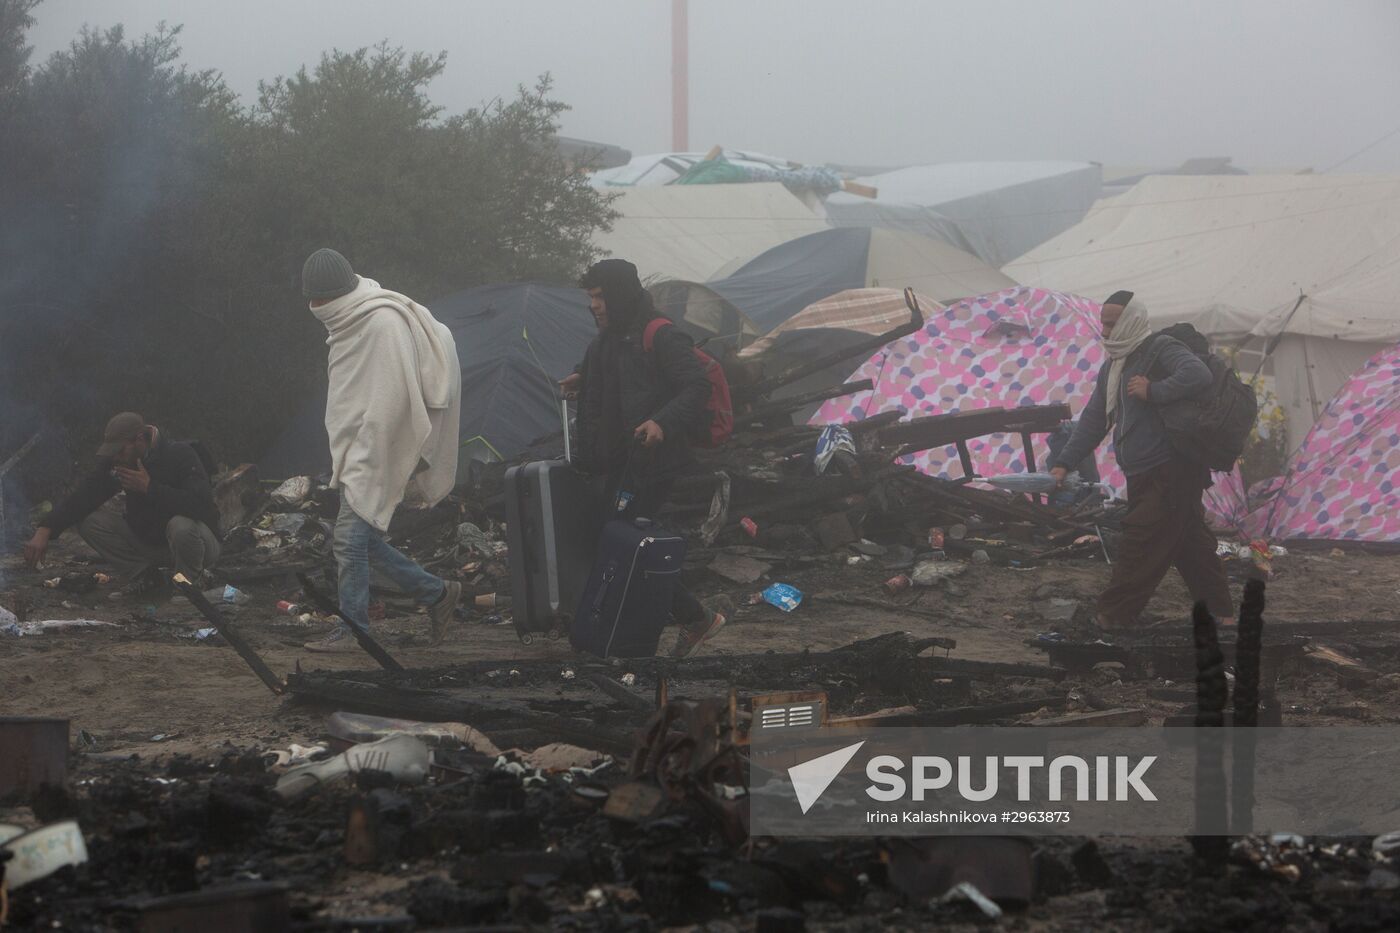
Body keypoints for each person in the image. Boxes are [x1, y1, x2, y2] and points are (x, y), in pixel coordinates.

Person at [561, 258, 729, 658]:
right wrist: (582, 378)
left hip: (649, 464)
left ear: (619, 294)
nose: (594, 306)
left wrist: (661, 422)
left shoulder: (662, 334)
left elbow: (695, 386)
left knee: (629, 546)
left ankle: (693, 618)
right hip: (615, 463)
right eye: (590, 298)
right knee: (616, 542)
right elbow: (624, 374)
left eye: (600, 297)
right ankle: (670, 620)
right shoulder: (609, 337)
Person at [301, 247, 464, 652]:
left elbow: (393, 399)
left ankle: (353, 630)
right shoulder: (349, 322)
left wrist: (371, 451)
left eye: (321, 300)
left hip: (382, 445)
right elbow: (351, 394)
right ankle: (439, 594)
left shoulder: (381, 323)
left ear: (336, 294)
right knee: (364, 541)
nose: (317, 308)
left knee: (349, 541)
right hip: (360, 444)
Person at [1050, 291, 1235, 628]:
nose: (1105, 331)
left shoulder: (1159, 348)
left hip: (1169, 469)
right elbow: (1094, 419)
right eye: (1104, 323)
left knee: (1141, 541)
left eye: (1112, 323)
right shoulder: (1115, 364)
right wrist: (1065, 461)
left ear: (1130, 320)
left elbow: (1198, 374)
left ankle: (1112, 617)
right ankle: (1221, 613)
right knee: (1191, 544)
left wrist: (1154, 391)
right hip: (1144, 473)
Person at [24, 412, 221, 600]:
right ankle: (147, 577)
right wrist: (46, 528)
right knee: (89, 522)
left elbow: (201, 506)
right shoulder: (123, 463)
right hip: (152, 543)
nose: (116, 457)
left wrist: (150, 488)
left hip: (198, 545)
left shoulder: (180, 454)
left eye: (119, 450)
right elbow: (84, 496)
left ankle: (189, 587)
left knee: (181, 525)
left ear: (139, 439)